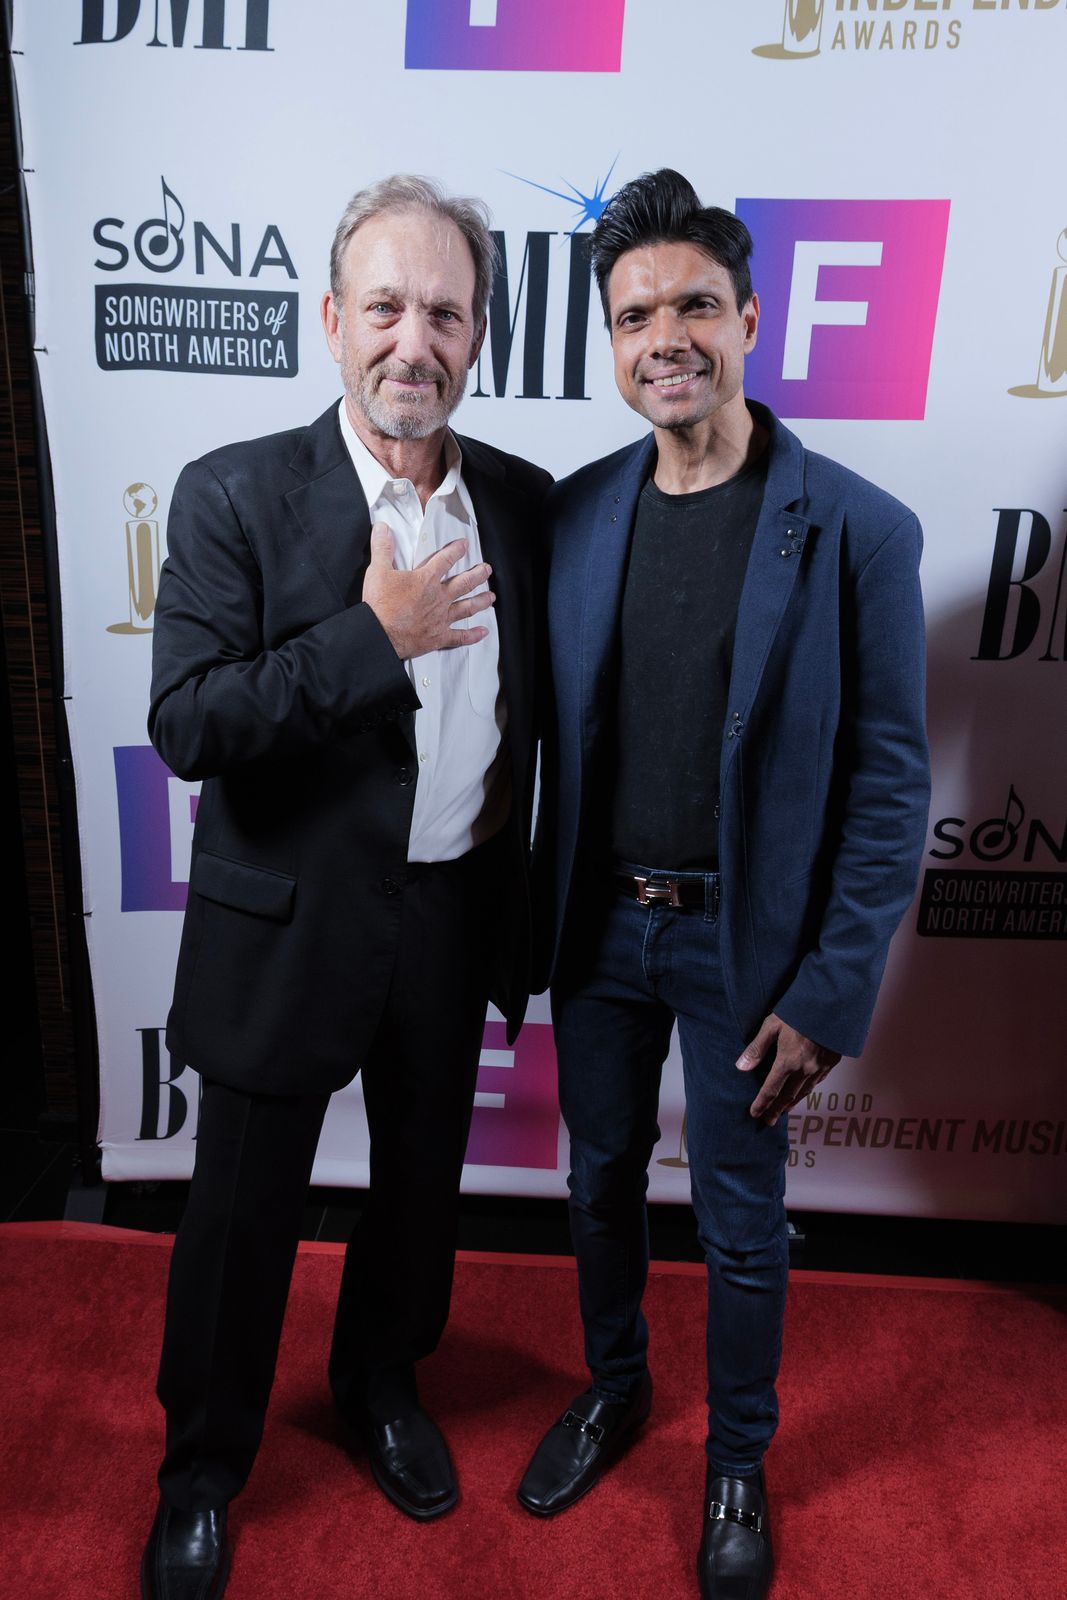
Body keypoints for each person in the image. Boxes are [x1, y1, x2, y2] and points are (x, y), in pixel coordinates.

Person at [517, 169, 930, 1600]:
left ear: (752, 319)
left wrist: (832, 986)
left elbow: (890, 783)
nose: (666, 339)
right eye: (635, 317)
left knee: (742, 1224)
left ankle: (738, 1458)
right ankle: (616, 1387)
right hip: (595, 934)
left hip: (744, 948)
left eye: (695, 305)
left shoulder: (860, 528)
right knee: (596, 1183)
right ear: (611, 342)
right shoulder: (575, 515)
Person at [140, 175, 550, 1600]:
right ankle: (201, 1471)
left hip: (450, 913)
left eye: (444, 312)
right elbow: (189, 721)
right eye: (385, 307)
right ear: (331, 320)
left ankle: (381, 1385)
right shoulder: (234, 492)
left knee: (420, 1195)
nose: (412, 341)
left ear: (478, 334)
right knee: (240, 1219)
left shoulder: (523, 505)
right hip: (287, 923)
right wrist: (372, 638)